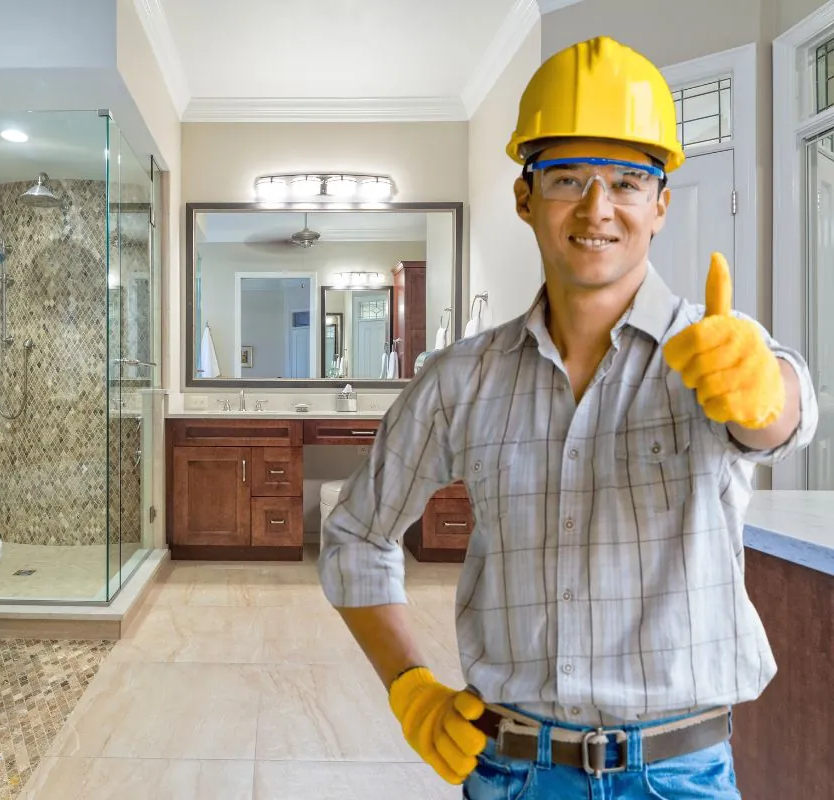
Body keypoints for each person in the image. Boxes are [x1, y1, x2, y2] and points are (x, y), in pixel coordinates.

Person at [317, 34, 817, 799]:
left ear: (660, 205)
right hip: (513, 770)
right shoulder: (462, 380)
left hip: (679, 774)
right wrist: (408, 686)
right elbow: (355, 530)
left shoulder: (714, 355)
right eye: (567, 178)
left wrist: (768, 394)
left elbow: (781, 415)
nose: (597, 207)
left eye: (626, 180)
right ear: (525, 197)